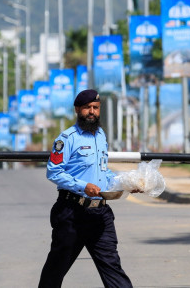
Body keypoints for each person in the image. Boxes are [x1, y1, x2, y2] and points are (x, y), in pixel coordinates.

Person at [38, 89, 133, 288]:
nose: (92, 112)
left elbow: (103, 172)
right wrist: (83, 186)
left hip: (100, 214)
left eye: (95, 108)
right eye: (87, 108)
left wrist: (126, 183)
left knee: (112, 267)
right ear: (77, 110)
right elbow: (53, 172)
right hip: (72, 213)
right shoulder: (67, 138)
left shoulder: (100, 136)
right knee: (56, 269)